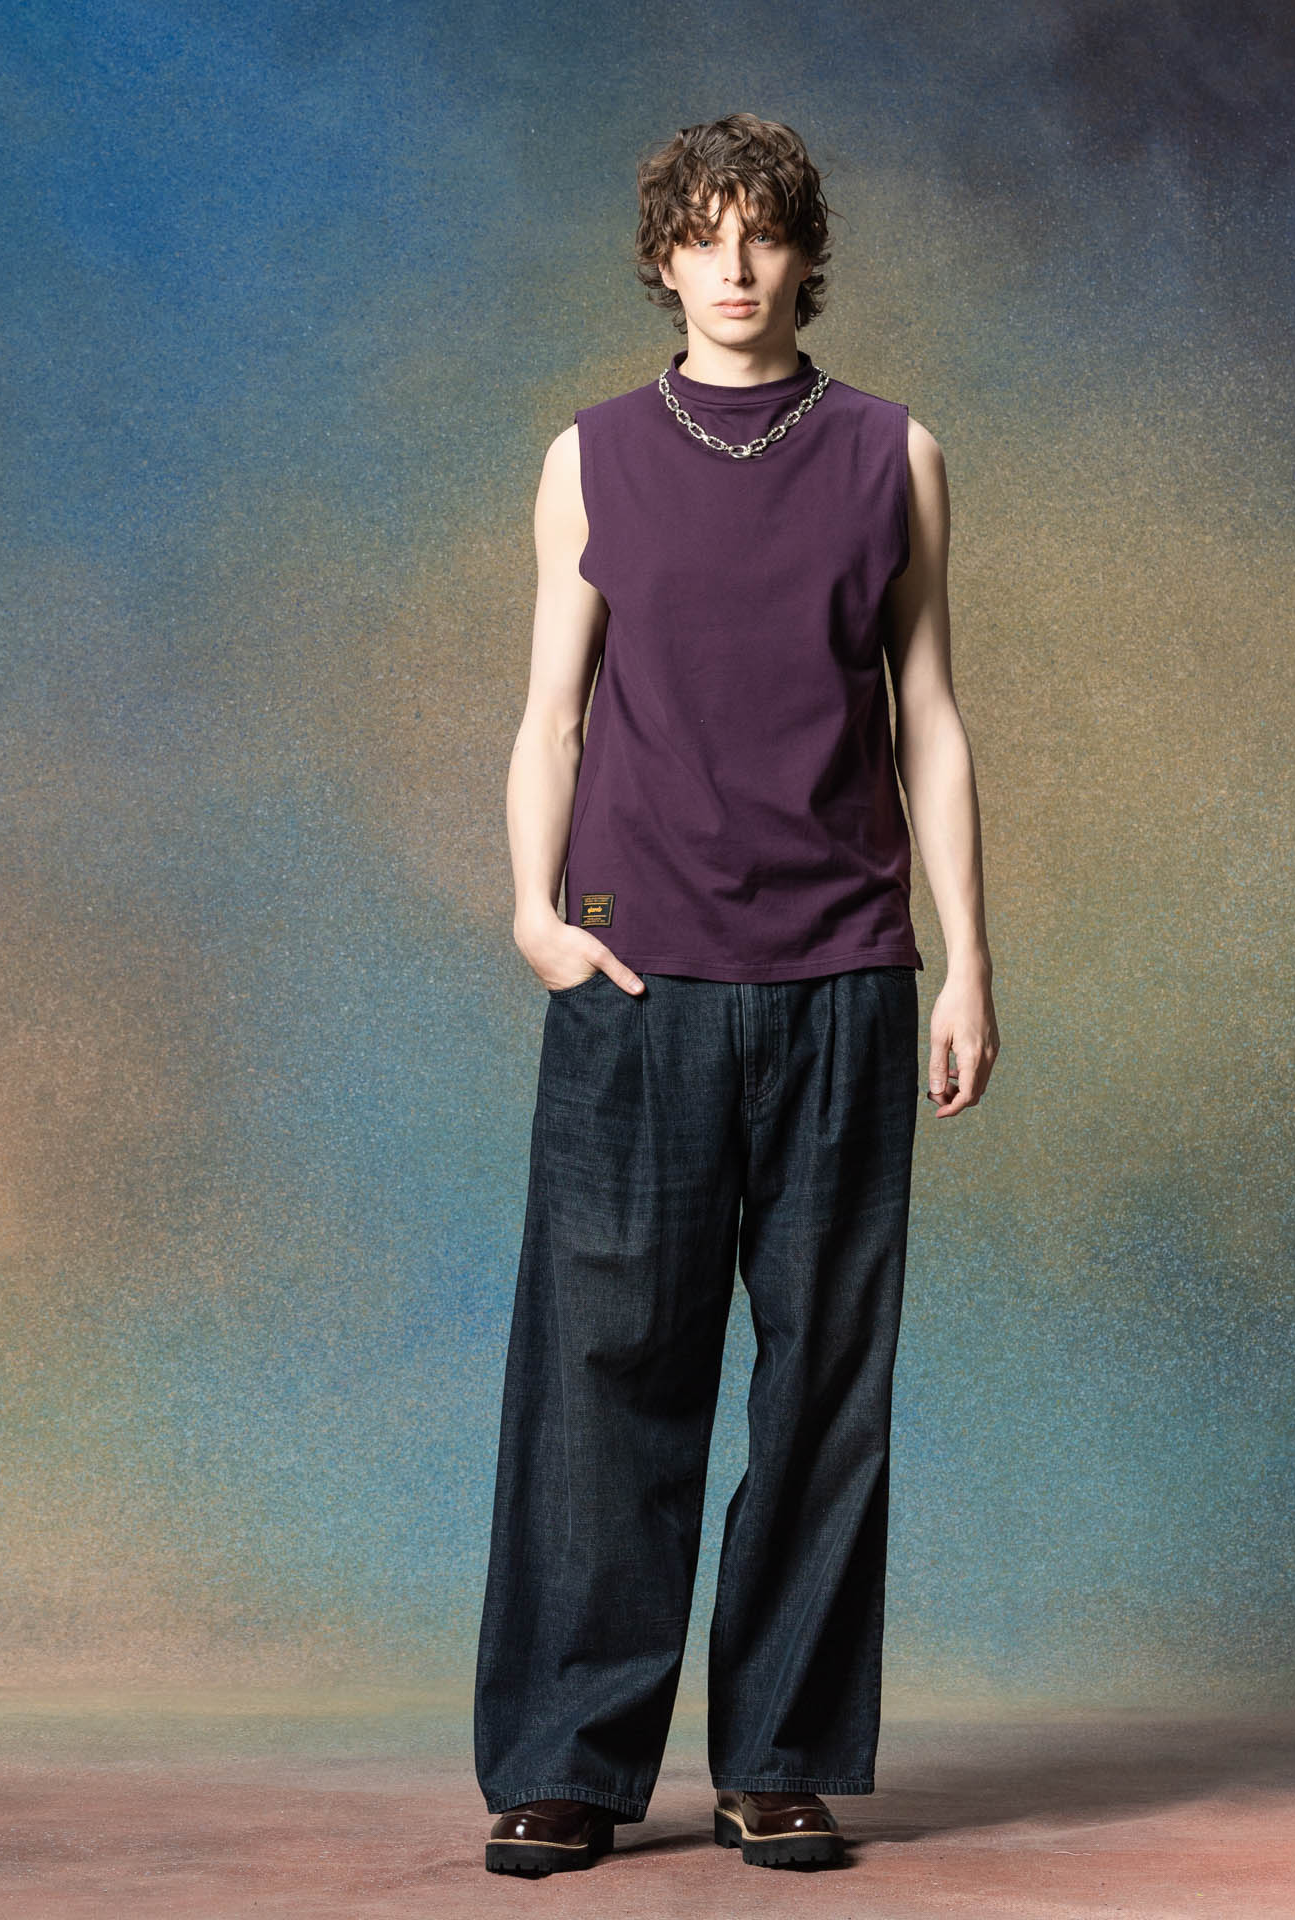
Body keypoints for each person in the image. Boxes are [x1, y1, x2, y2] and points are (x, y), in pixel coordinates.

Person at [476, 111, 997, 1876]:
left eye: (763, 233)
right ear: (663, 259)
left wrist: (967, 961)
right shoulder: (591, 458)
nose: (736, 266)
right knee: (603, 1372)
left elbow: (930, 717)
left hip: (845, 977)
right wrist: (535, 917)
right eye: (704, 236)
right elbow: (550, 716)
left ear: (804, 252)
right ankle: (567, 1757)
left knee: (824, 1383)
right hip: (641, 979)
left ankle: (779, 1754)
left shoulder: (895, 455)